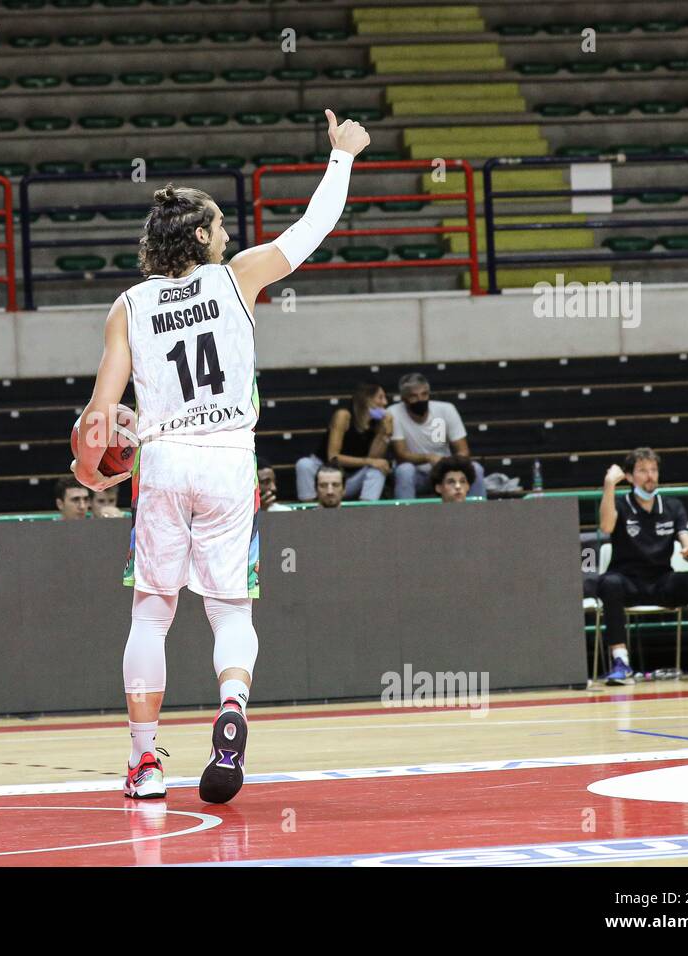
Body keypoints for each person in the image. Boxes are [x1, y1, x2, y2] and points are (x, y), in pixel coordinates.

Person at [71, 108, 370, 803]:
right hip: (231, 458)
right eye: (223, 226)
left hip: (164, 459)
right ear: (202, 235)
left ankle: (146, 765)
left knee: (151, 613)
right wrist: (342, 156)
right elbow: (310, 231)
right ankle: (231, 709)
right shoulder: (238, 277)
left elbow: (97, 420)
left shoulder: (128, 306)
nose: (231, 234)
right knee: (231, 613)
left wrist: (94, 466)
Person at [596, 449, 688, 684]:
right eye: (642, 470)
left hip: (662, 581)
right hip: (628, 581)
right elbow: (606, 526)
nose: (650, 476)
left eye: (653, 470)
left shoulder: (672, 506)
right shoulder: (621, 505)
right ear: (630, 477)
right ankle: (620, 661)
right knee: (609, 583)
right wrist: (609, 484)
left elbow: (685, 536)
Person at [388, 373, 485, 500]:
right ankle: (405, 516)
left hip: (446, 472)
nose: (420, 399)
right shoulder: (393, 413)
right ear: (404, 398)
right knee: (404, 470)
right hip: (417, 475)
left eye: (424, 394)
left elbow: (463, 451)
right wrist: (428, 458)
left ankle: (478, 513)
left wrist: (446, 464)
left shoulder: (446, 409)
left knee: (476, 469)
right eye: (414, 396)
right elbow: (401, 454)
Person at [294, 382, 392, 501]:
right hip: (326, 475)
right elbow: (333, 458)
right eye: (380, 397)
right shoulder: (344, 415)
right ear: (366, 400)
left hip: (351, 479)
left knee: (378, 469)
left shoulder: (378, 423)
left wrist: (385, 434)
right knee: (304, 464)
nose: (385, 403)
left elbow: (374, 458)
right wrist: (370, 461)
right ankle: (309, 509)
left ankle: (367, 508)